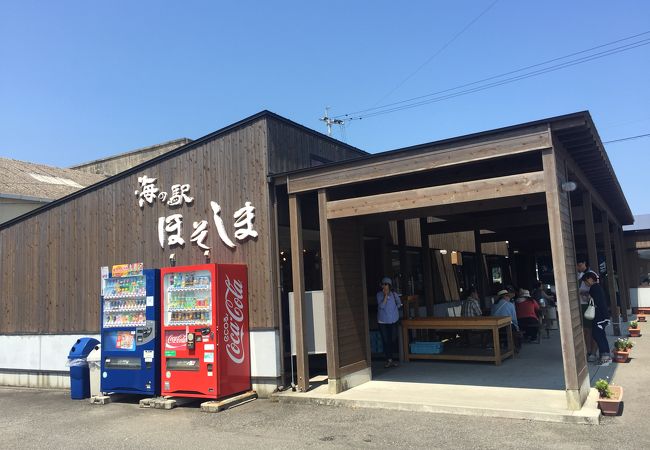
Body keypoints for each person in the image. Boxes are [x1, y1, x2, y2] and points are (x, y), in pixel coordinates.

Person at [582, 271, 611, 366]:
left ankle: (605, 357)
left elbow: (592, 301)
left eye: (586, 282)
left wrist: (586, 296)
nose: (586, 284)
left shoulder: (594, 288)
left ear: (590, 279)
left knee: (598, 335)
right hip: (603, 316)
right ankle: (605, 355)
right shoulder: (598, 287)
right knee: (600, 335)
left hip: (600, 316)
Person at [377, 276, 401, 368]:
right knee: (386, 340)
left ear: (389, 285)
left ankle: (392, 358)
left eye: (386, 284)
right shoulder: (379, 295)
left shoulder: (394, 294)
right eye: (383, 284)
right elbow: (382, 306)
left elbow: (399, 303)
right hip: (382, 321)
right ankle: (389, 360)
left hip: (393, 320)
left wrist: (395, 309)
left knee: (393, 339)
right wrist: (385, 296)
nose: (384, 286)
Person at [577, 259, 599, 362]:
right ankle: (588, 351)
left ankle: (593, 352)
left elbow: (596, 289)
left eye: (580, 265)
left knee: (593, 329)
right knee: (586, 330)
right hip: (582, 304)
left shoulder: (592, 274)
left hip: (591, 304)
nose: (579, 267)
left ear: (585, 263)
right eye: (578, 266)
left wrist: (584, 293)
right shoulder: (579, 275)